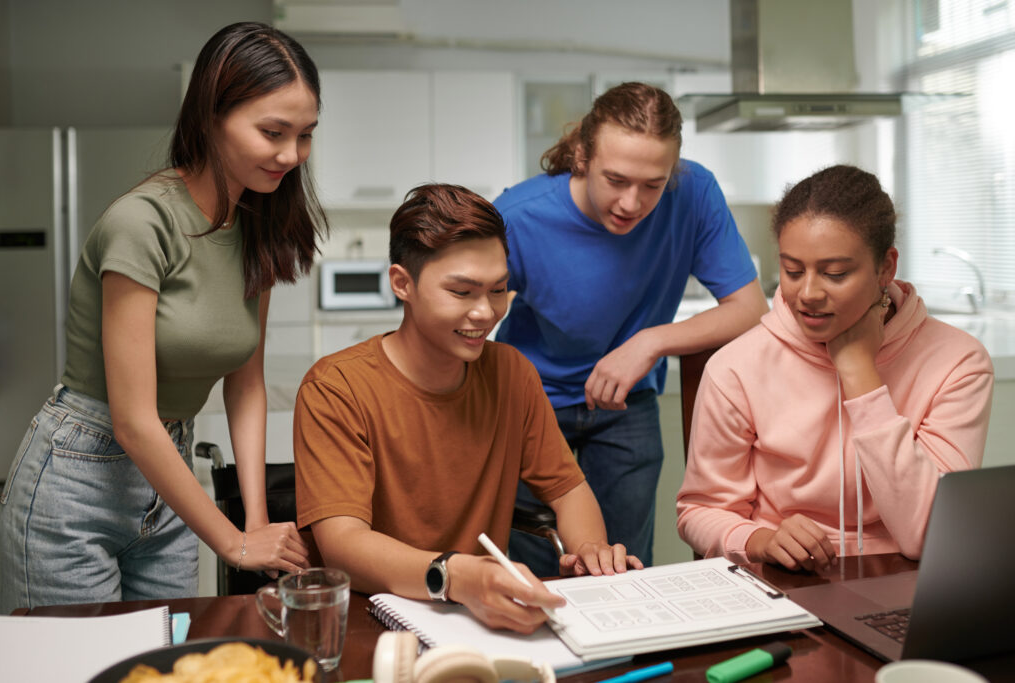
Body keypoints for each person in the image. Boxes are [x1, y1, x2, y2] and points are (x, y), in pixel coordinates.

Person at [0, 22, 325, 613]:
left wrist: (252, 521)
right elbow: (133, 421)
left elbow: (245, 381)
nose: (291, 155)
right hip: (77, 478)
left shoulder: (259, 225)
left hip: (168, 482)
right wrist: (233, 545)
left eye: (304, 135)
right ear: (210, 117)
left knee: (159, 665)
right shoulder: (142, 224)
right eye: (273, 132)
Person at [294, 183, 642, 634]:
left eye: (498, 290)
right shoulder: (336, 388)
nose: (485, 312)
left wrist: (592, 551)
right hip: (370, 622)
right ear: (403, 283)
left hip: (481, 617)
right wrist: (457, 575)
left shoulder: (512, 374)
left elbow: (568, 490)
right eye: (462, 292)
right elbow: (343, 546)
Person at [494, 82, 768, 575]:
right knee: (534, 565)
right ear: (582, 156)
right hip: (529, 405)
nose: (630, 202)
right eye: (615, 179)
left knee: (624, 564)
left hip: (628, 405)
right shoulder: (519, 216)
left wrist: (650, 342)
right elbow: (474, 311)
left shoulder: (695, 193)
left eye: (652, 185)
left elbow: (750, 308)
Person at [676, 164, 994, 571]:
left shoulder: (958, 362)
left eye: (835, 273)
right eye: (792, 271)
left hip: (906, 581)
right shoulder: (735, 367)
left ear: (886, 268)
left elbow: (929, 534)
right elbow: (700, 510)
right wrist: (759, 539)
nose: (807, 294)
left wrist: (861, 374)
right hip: (782, 583)